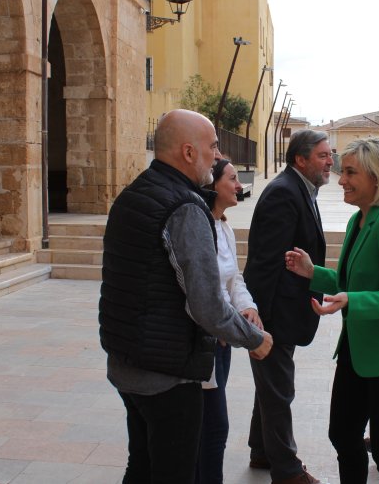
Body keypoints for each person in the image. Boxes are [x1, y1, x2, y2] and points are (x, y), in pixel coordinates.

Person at [99, 109, 273, 484]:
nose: (217, 153)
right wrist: (254, 340)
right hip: (168, 375)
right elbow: (207, 305)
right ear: (189, 152)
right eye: (212, 146)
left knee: (142, 466)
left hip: (128, 362)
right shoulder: (185, 208)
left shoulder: (132, 195)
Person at [286, 137, 379, 484]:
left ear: (376, 177)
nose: (341, 179)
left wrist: (354, 301)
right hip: (359, 352)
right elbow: (349, 280)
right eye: (342, 170)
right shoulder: (360, 220)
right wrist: (313, 273)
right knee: (343, 435)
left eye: (350, 172)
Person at [243, 129, 333, 484]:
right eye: (323, 155)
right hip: (274, 315)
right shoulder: (284, 193)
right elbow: (265, 263)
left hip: (285, 312)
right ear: (301, 159)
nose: (330, 162)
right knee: (280, 388)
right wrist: (259, 323)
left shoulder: (299, 189)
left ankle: (261, 449)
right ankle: (287, 469)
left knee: (271, 384)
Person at [195, 158, 264, 484]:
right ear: (213, 185)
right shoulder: (199, 228)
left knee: (211, 426)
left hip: (221, 339)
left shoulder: (222, 225)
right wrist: (232, 327)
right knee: (212, 427)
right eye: (233, 179)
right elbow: (204, 292)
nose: (239, 185)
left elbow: (233, 278)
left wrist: (247, 307)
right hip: (206, 340)